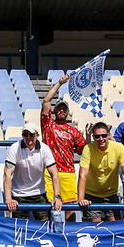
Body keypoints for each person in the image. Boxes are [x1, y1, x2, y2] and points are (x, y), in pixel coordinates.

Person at [41, 74, 88, 219]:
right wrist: (59, 83)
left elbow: (82, 150)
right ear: (54, 111)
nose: (62, 111)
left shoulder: (73, 131)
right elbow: (46, 101)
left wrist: (88, 137)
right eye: (59, 109)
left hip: (68, 171)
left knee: (70, 208)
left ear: (68, 112)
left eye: (64, 109)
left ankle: (70, 232)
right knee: (50, 206)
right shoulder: (48, 125)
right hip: (50, 170)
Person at [77, 122, 124, 222]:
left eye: (103, 135)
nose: (101, 139)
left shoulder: (118, 147)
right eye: (97, 136)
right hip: (91, 194)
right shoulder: (88, 149)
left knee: (114, 225)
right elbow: (82, 175)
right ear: (93, 137)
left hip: (112, 193)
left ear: (108, 135)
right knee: (96, 226)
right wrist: (81, 199)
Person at [3, 122, 64, 220]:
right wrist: (9, 199)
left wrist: (57, 197)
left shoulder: (44, 149)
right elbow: (7, 174)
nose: (28, 137)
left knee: (44, 225)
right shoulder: (14, 148)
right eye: (25, 134)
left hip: (39, 193)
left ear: (37, 135)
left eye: (31, 134)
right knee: (21, 227)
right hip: (19, 194)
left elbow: (54, 174)